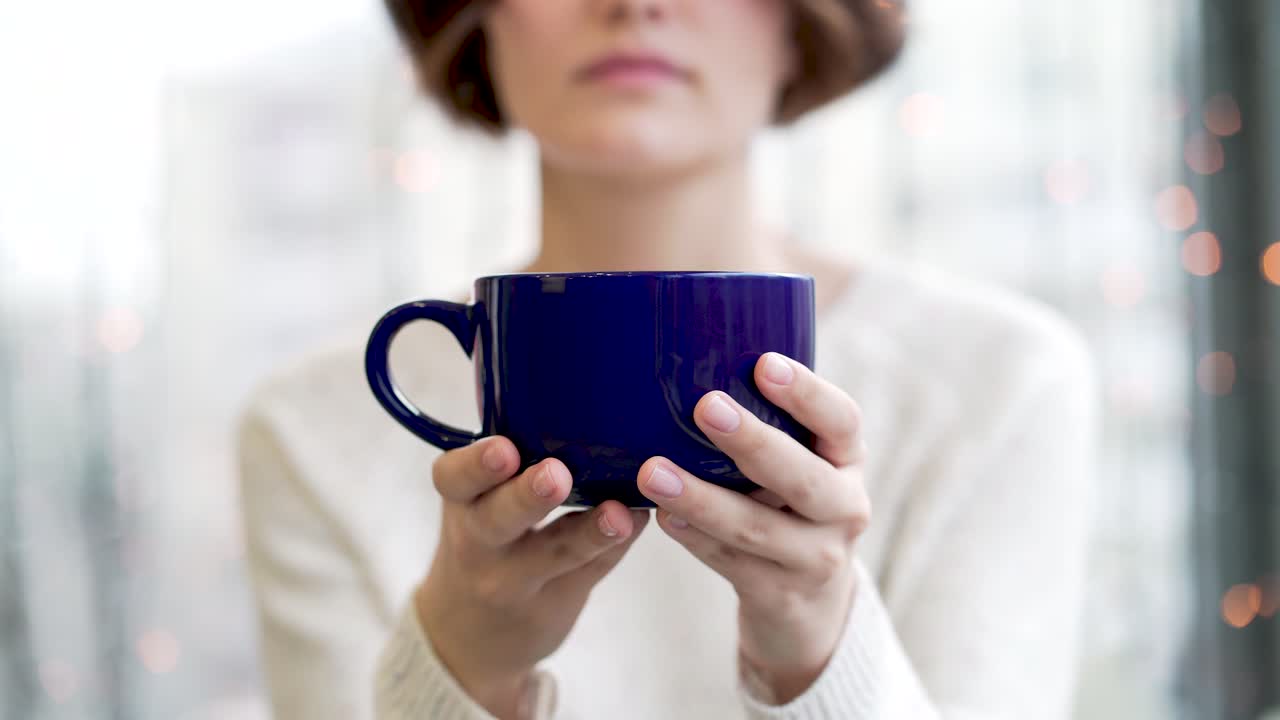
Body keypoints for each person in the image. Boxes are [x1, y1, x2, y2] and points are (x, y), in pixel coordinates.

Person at [238, 1, 1098, 718]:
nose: (634, 5)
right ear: (475, 18)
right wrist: (461, 672)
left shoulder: (999, 383)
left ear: (801, 23)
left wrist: (818, 645)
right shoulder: (310, 429)